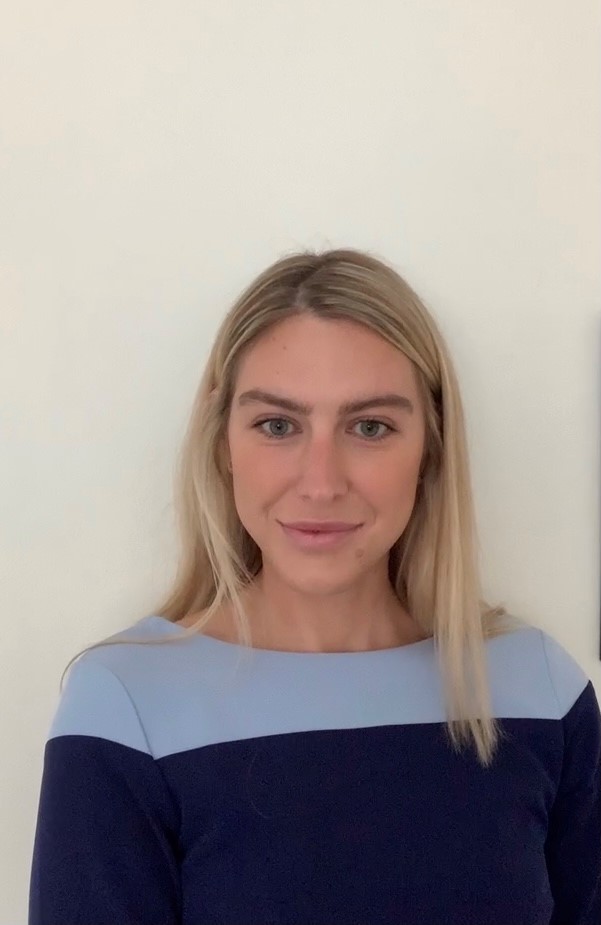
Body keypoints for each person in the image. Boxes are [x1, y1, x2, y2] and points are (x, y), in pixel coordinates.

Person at [29, 248, 600, 924]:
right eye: (277, 425)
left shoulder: (539, 690)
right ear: (221, 442)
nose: (321, 482)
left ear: (431, 447)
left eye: (370, 427)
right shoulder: (129, 707)